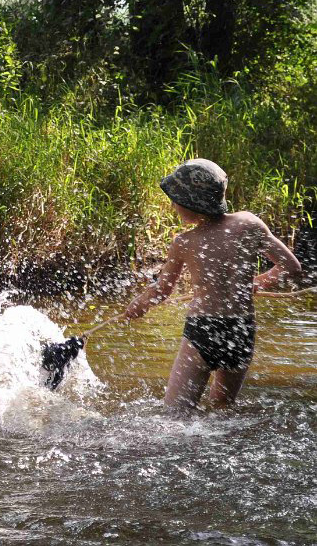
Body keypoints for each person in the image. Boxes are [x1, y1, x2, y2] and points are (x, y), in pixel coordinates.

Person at [124, 159, 301, 409]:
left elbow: (162, 291)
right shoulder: (249, 224)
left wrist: (139, 305)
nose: (173, 205)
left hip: (203, 330)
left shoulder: (184, 242)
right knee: (222, 411)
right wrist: (258, 283)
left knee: (176, 414)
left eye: (176, 199)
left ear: (190, 203)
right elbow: (291, 267)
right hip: (241, 331)